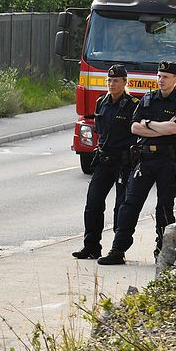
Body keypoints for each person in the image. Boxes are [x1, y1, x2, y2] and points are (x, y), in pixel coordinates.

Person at [98, 61, 176, 266]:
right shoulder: (147, 99)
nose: (161, 80)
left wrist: (148, 124)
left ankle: (163, 250)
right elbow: (133, 128)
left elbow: (174, 129)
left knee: (164, 208)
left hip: (168, 161)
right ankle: (118, 249)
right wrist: (158, 128)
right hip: (145, 160)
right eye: (159, 76)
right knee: (129, 204)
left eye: (165, 77)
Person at [72, 65, 139, 259]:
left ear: (125, 82)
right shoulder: (101, 102)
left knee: (121, 206)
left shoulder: (134, 105)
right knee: (93, 203)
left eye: (116, 81)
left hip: (124, 161)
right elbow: (99, 131)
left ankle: (118, 250)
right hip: (104, 159)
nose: (111, 84)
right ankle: (91, 246)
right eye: (109, 81)